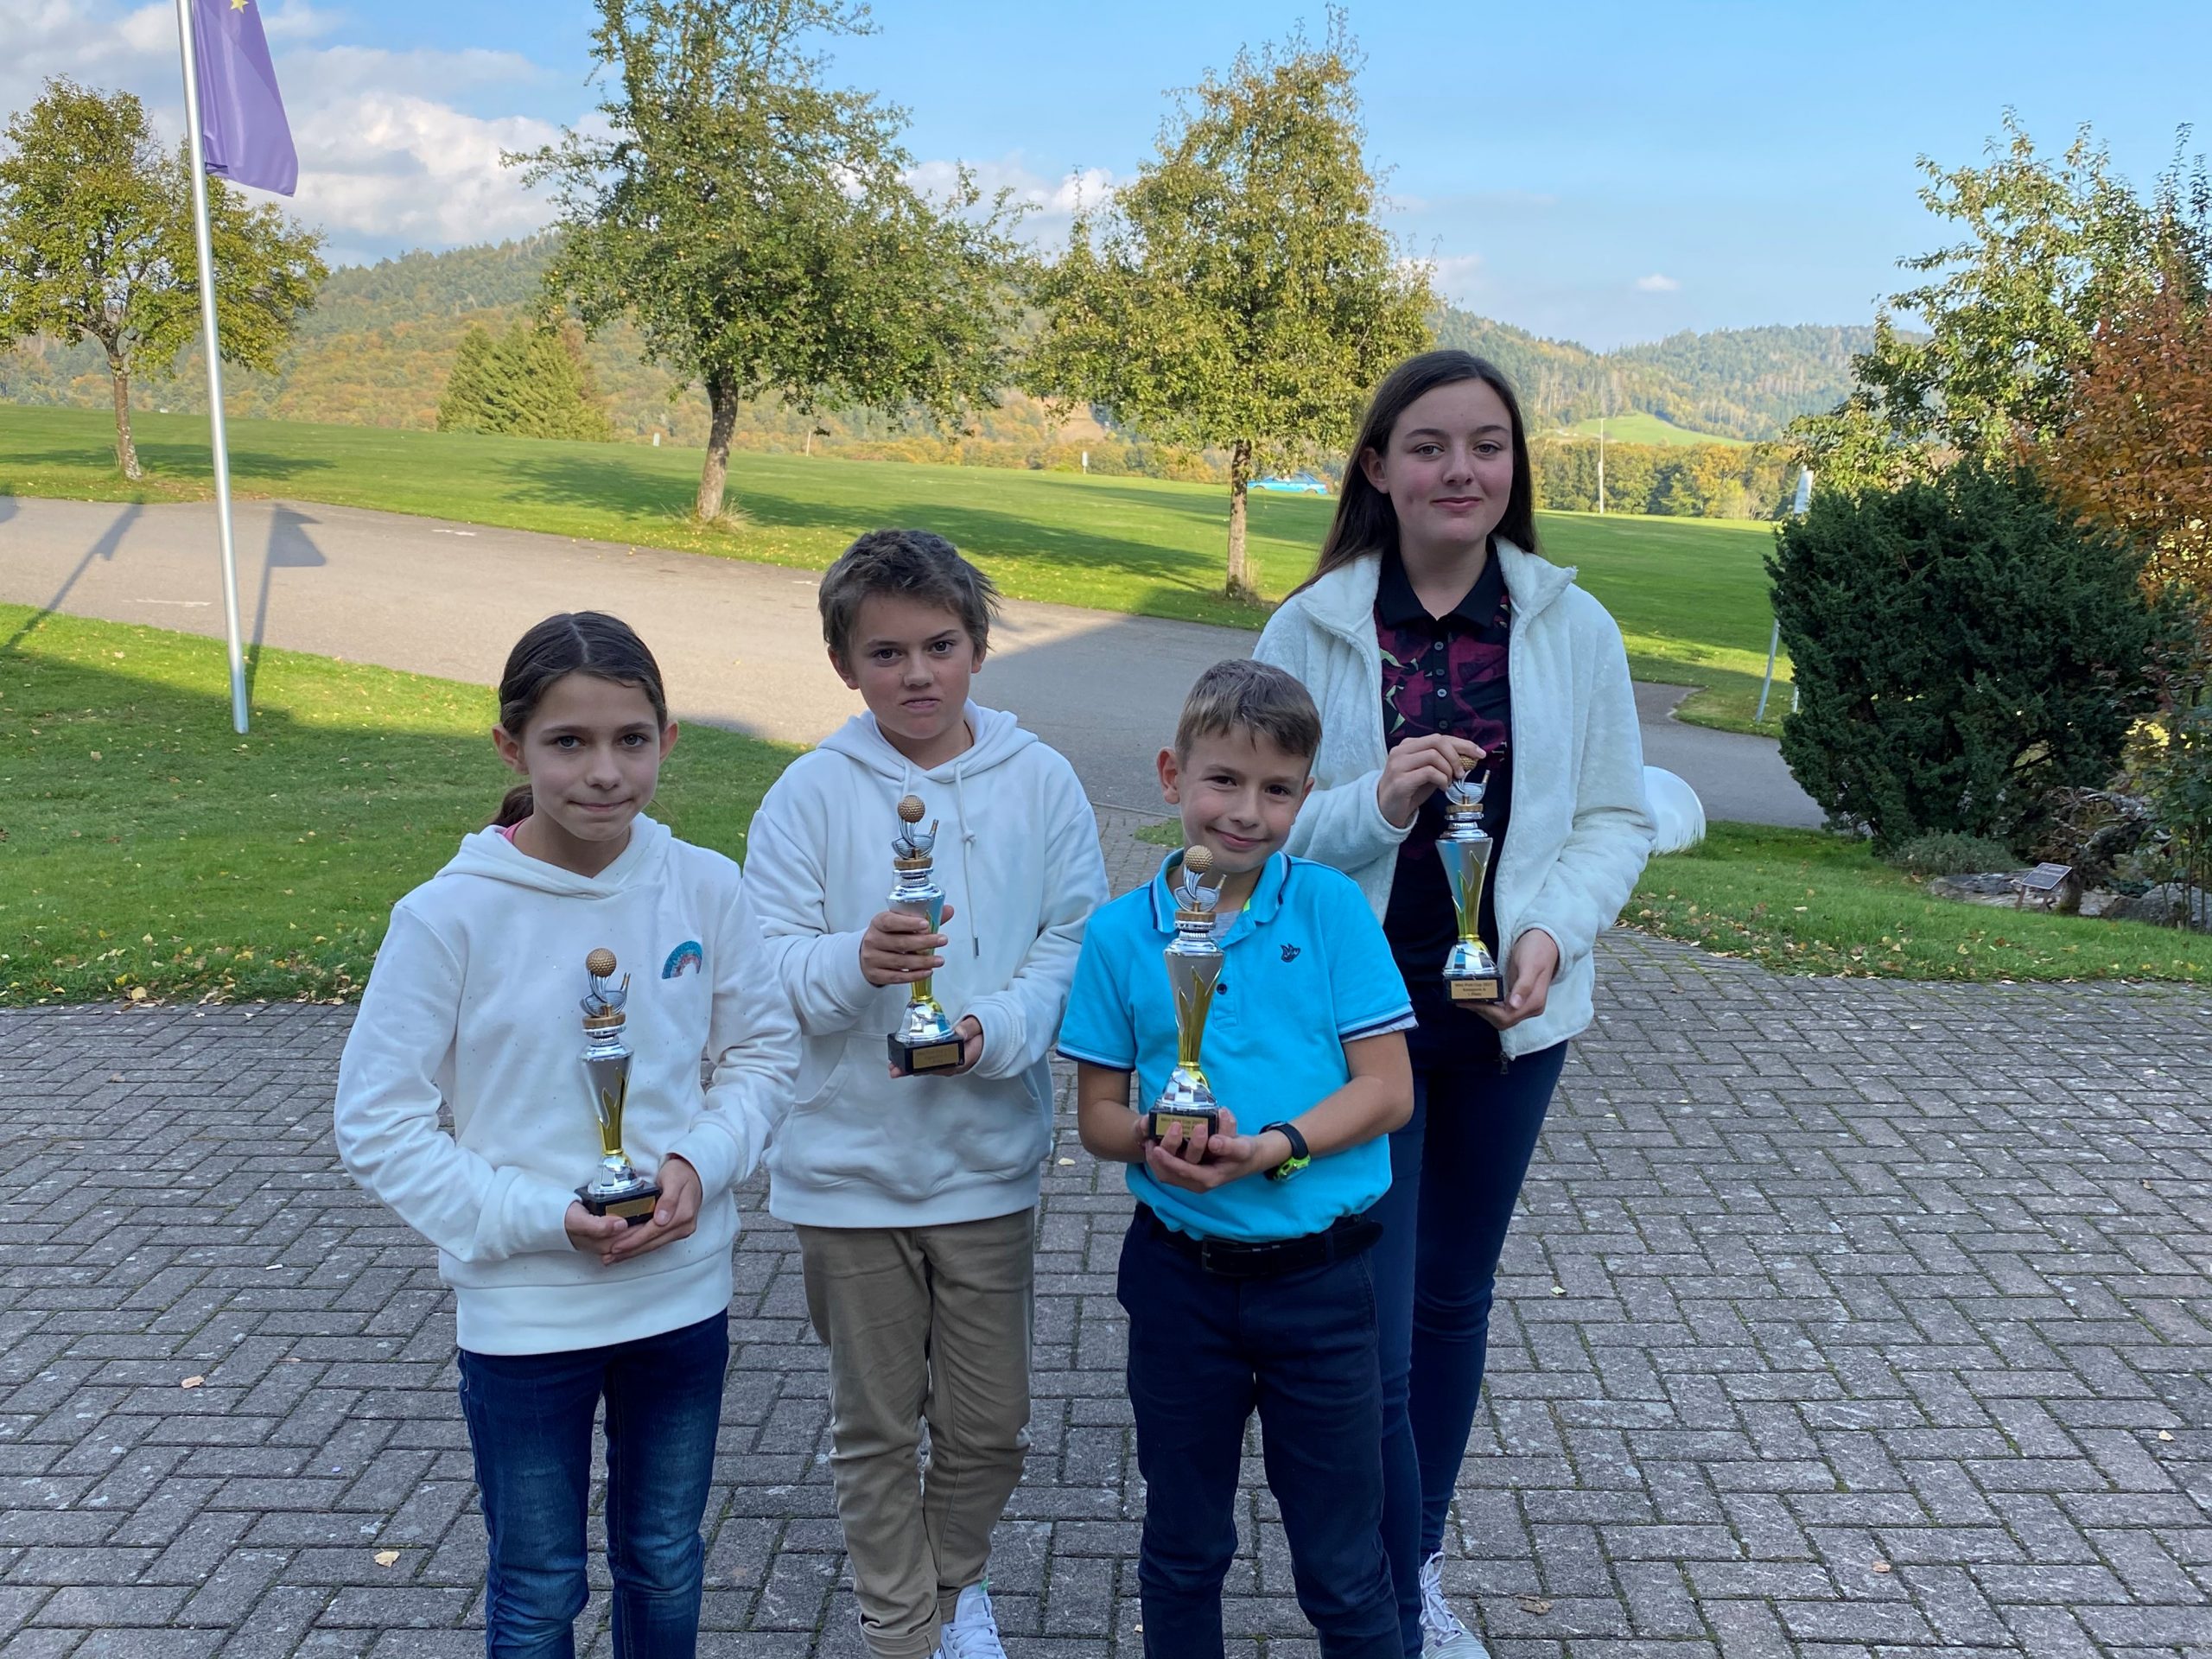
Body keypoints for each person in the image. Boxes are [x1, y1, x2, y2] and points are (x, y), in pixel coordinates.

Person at [1255, 352, 1655, 1658]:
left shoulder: (1571, 627)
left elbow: (1613, 818)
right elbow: (1250, 823)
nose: (1461, 470)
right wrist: (1372, 804)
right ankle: (1367, 1583)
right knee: (1371, 1318)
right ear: (1377, 467)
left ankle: (1411, 1568)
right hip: (1353, 1024)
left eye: (1488, 444)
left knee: (1448, 1304)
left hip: (1506, 1022)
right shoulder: (1310, 629)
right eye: (1428, 446)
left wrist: (1550, 931)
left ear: (1514, 466)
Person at [332, 611, 800, 1659]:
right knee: (540, 1585)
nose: (603, 772)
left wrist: (698, 1162)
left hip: (679, 1293)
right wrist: (542, 1217)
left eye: (630, 740)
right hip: (526, 1313)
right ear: (512, 748)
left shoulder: (705, 886)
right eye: (568, 742)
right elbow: (376, 1124)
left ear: (667, 739)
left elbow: (765, 1055)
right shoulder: (448, 916)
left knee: (665, 1556)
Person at [743, 529, 1109, 1659]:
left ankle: (953, 1591)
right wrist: (852, 962)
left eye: (940, 646)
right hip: (847, 1172)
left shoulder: (1040, 780)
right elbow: (762, 966)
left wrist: (995, 1030)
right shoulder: (808, 793)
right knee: (875, 1430)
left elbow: (1073, 938)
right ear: (844, 664)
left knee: (990, 1428)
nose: (916, 674)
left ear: (979, 648)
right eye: (886, 652)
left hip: (988, 1163)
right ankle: (902, 1632)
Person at [1060, 658, 1416, 1659]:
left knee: (1343, 1564)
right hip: (1183, 1284)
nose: (1247, 812)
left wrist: (1273, 1150)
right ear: (1172, 774)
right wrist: (1159, 1136)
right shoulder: (1119, 934)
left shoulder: (1331, 909)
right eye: (1223, 780)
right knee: (1184, 1546)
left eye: (1277, 789)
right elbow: (1096, 1118)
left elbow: (1387, 1091)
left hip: (1322, 1286)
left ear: (1306, 795)